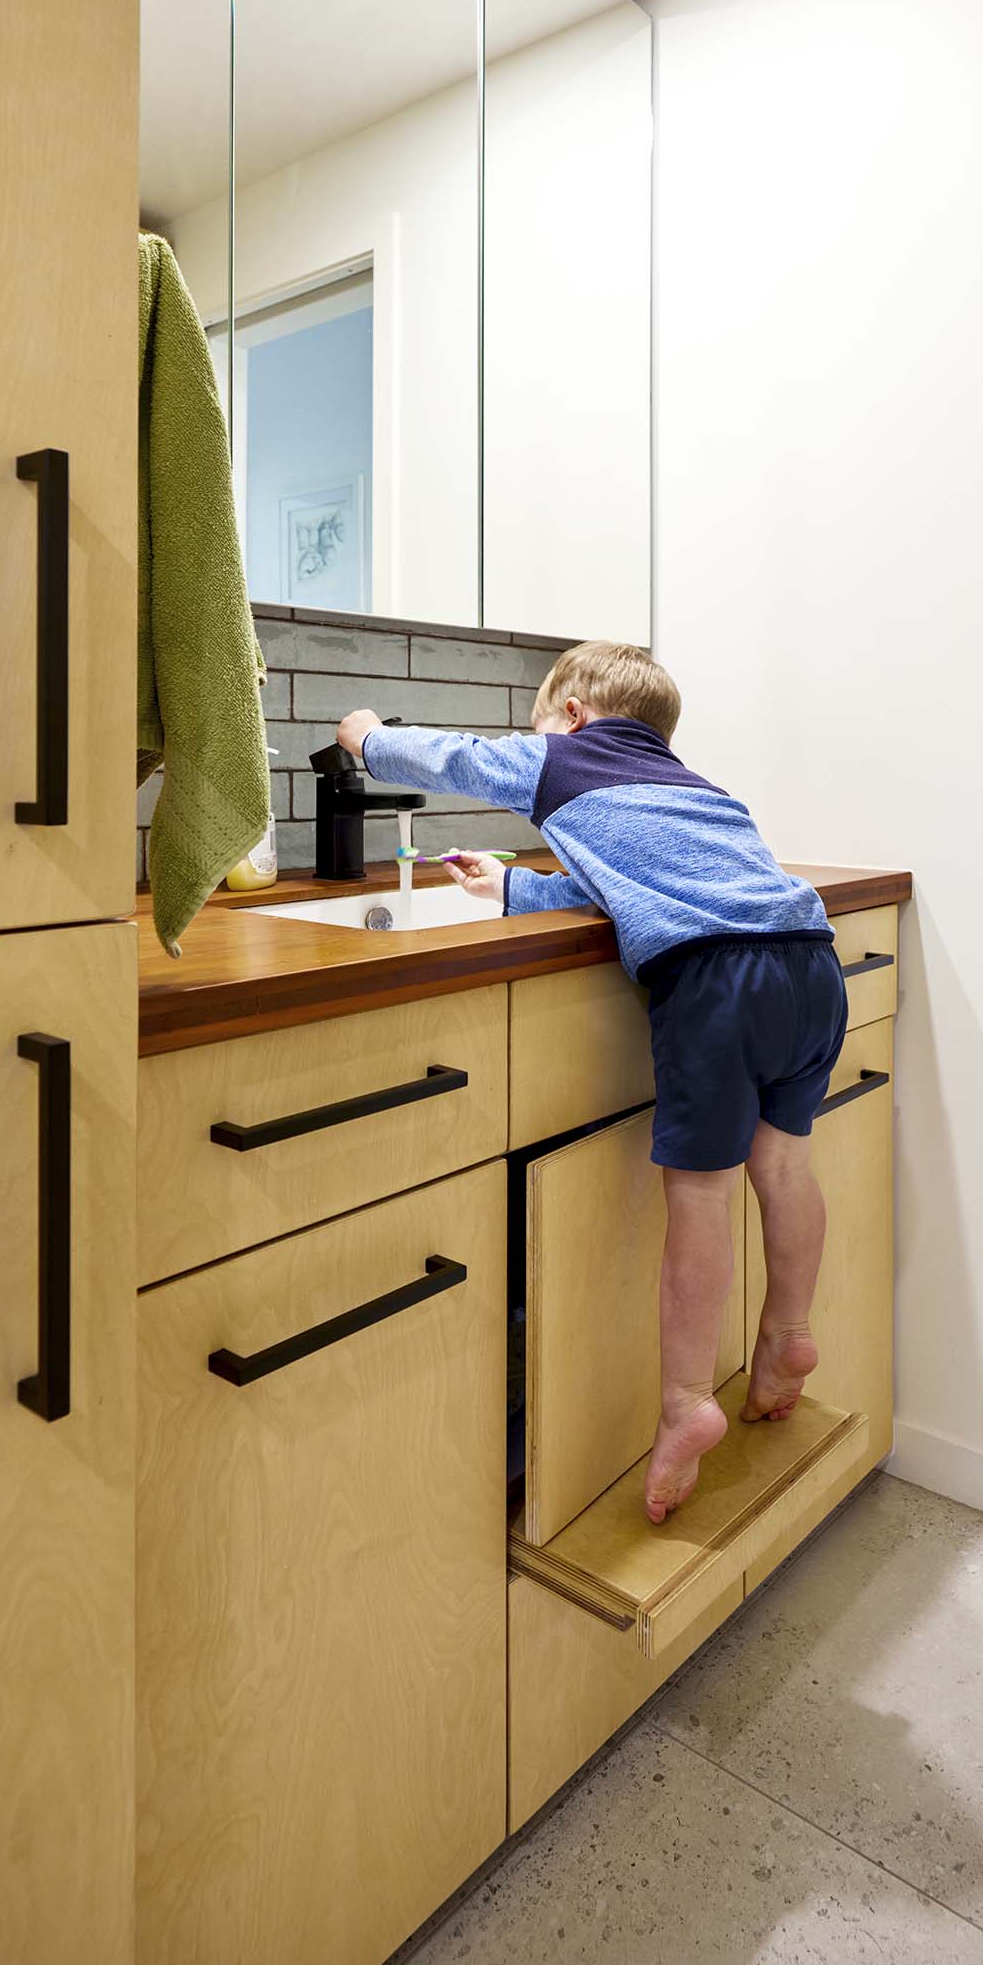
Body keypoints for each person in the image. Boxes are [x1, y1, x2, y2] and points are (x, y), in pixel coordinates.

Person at [335, 641, 848, 1523]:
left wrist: (370, 737)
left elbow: (457, 758)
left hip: (717, 987)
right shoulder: (701, 790)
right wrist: (515, 890)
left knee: (700, 1198)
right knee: (785, 1167)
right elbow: (638, 888)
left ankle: (688, 1401)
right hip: (810, 966)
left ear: (569, 715)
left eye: (539, 727)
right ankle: (789, 1331)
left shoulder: (565, 753)